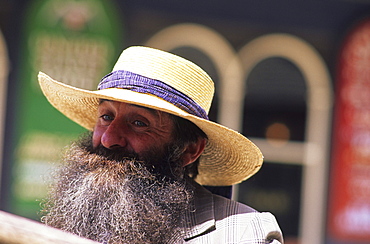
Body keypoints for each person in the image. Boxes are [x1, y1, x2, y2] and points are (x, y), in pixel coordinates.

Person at [38, 46, 284, 243]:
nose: (109, 138)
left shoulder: (245, 234)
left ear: (189, 150)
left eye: (138, 122)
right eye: (106, 117)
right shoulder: (67, 225)